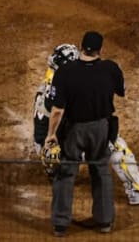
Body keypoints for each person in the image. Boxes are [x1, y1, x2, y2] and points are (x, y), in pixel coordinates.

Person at [33, 44, 139, 206]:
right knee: (115, 144)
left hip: (45, 149)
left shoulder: (49, 82)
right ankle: (137, 190)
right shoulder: (66, 88)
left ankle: (53, 171)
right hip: (62, 146)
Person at [44, 31, 123, 237]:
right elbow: (121, 90)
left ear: (81, 47)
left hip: (74, 130)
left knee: (66, 172)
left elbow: (58, 110)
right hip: (101, 128)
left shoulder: (65, 72)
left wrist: (51, 135)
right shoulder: (111, 69)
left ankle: (61, 225)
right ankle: (105, 222)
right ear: (100, 49)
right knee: (101, 172)